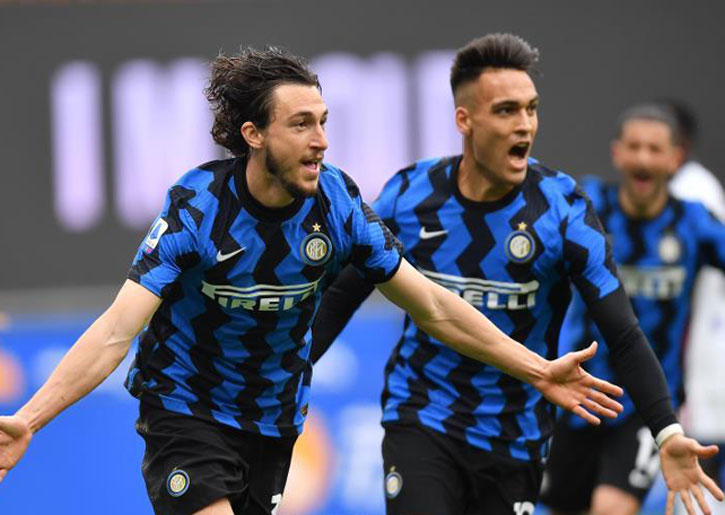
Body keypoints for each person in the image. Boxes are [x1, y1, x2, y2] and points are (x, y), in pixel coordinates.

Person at [0, 47, 624, 515]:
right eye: (301, 124)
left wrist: (536, 369)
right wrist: (28, 419)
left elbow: (433, 305)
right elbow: (115, 331)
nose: (321, 141)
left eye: (323, 122)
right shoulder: (197, 209)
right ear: (253, 135)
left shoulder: (339, 206)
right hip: (186, 408)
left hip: (273, 422)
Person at [310, 35, 723, 515]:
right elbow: (343, 293)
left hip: (517, 433)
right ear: (464, 120)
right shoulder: (410, 194)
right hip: (423, 415)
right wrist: (290, 374)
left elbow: (623, 331)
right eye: (506, 111)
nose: (524, 124)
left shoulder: (563, 209)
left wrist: (667, 430)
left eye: (531, 109)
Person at [540, 103, 725, 515]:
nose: (643, 159)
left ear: (675, 158)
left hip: (648, 406)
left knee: (611, 509)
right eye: (634, 147)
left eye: (654, 149)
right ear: (617, 153)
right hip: (580, 394)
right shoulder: (587, 211)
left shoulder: (693, 223)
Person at [662, 100, 725, 515]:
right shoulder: (696, 185)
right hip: (700, 355)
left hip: (704, 352)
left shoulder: (690, 193)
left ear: (679, 145)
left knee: (701, 464)